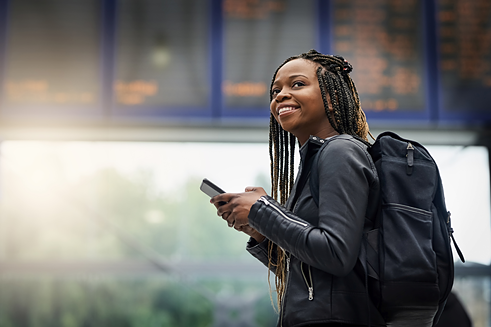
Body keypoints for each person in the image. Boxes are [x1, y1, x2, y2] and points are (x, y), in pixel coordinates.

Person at [210, 49, 384, 326]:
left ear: (332, 95)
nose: (280, 95)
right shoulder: (317, 161)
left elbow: (336, 254)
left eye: (298, 84)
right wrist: (261, 231)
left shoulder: (340, 151)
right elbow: (314, 278)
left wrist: (263, 211)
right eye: (275, 90)